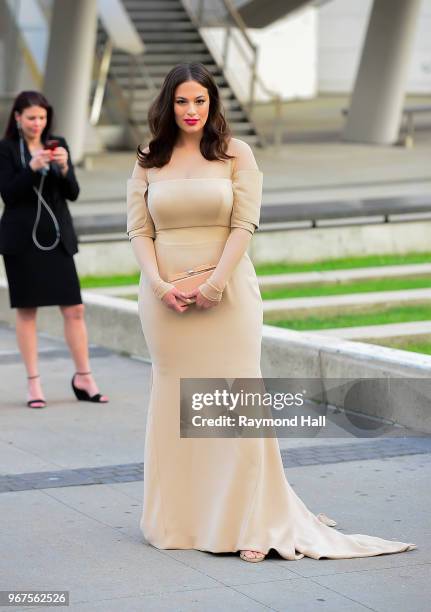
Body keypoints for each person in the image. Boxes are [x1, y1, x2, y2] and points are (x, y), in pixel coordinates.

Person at [126, 63, 416, 562]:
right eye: (182, 101)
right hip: (164, 300)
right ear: (167, 106)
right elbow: (138, 231)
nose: (192, 111)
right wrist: (159, 286)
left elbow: (245, 224)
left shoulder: (237, 153)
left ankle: (250, 518)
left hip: (228, 295)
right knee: (175, 402)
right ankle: (185, 518)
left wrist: (215, 284)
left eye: (200, 100)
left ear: (213, 103)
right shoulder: (149, 159)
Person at [0, 91, 108, 408]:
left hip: (57, 238)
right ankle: (34, 384)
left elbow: (72, 192)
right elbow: (9, 194)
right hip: (21, 241)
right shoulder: (5, 149)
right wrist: (31, 168)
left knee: (75, 309)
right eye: (31, 117)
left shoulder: (58, 143)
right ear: (17, 118)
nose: (38, 124)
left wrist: (62, 169)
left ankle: (84, 377)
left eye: (43, 117)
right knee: (27, 311)